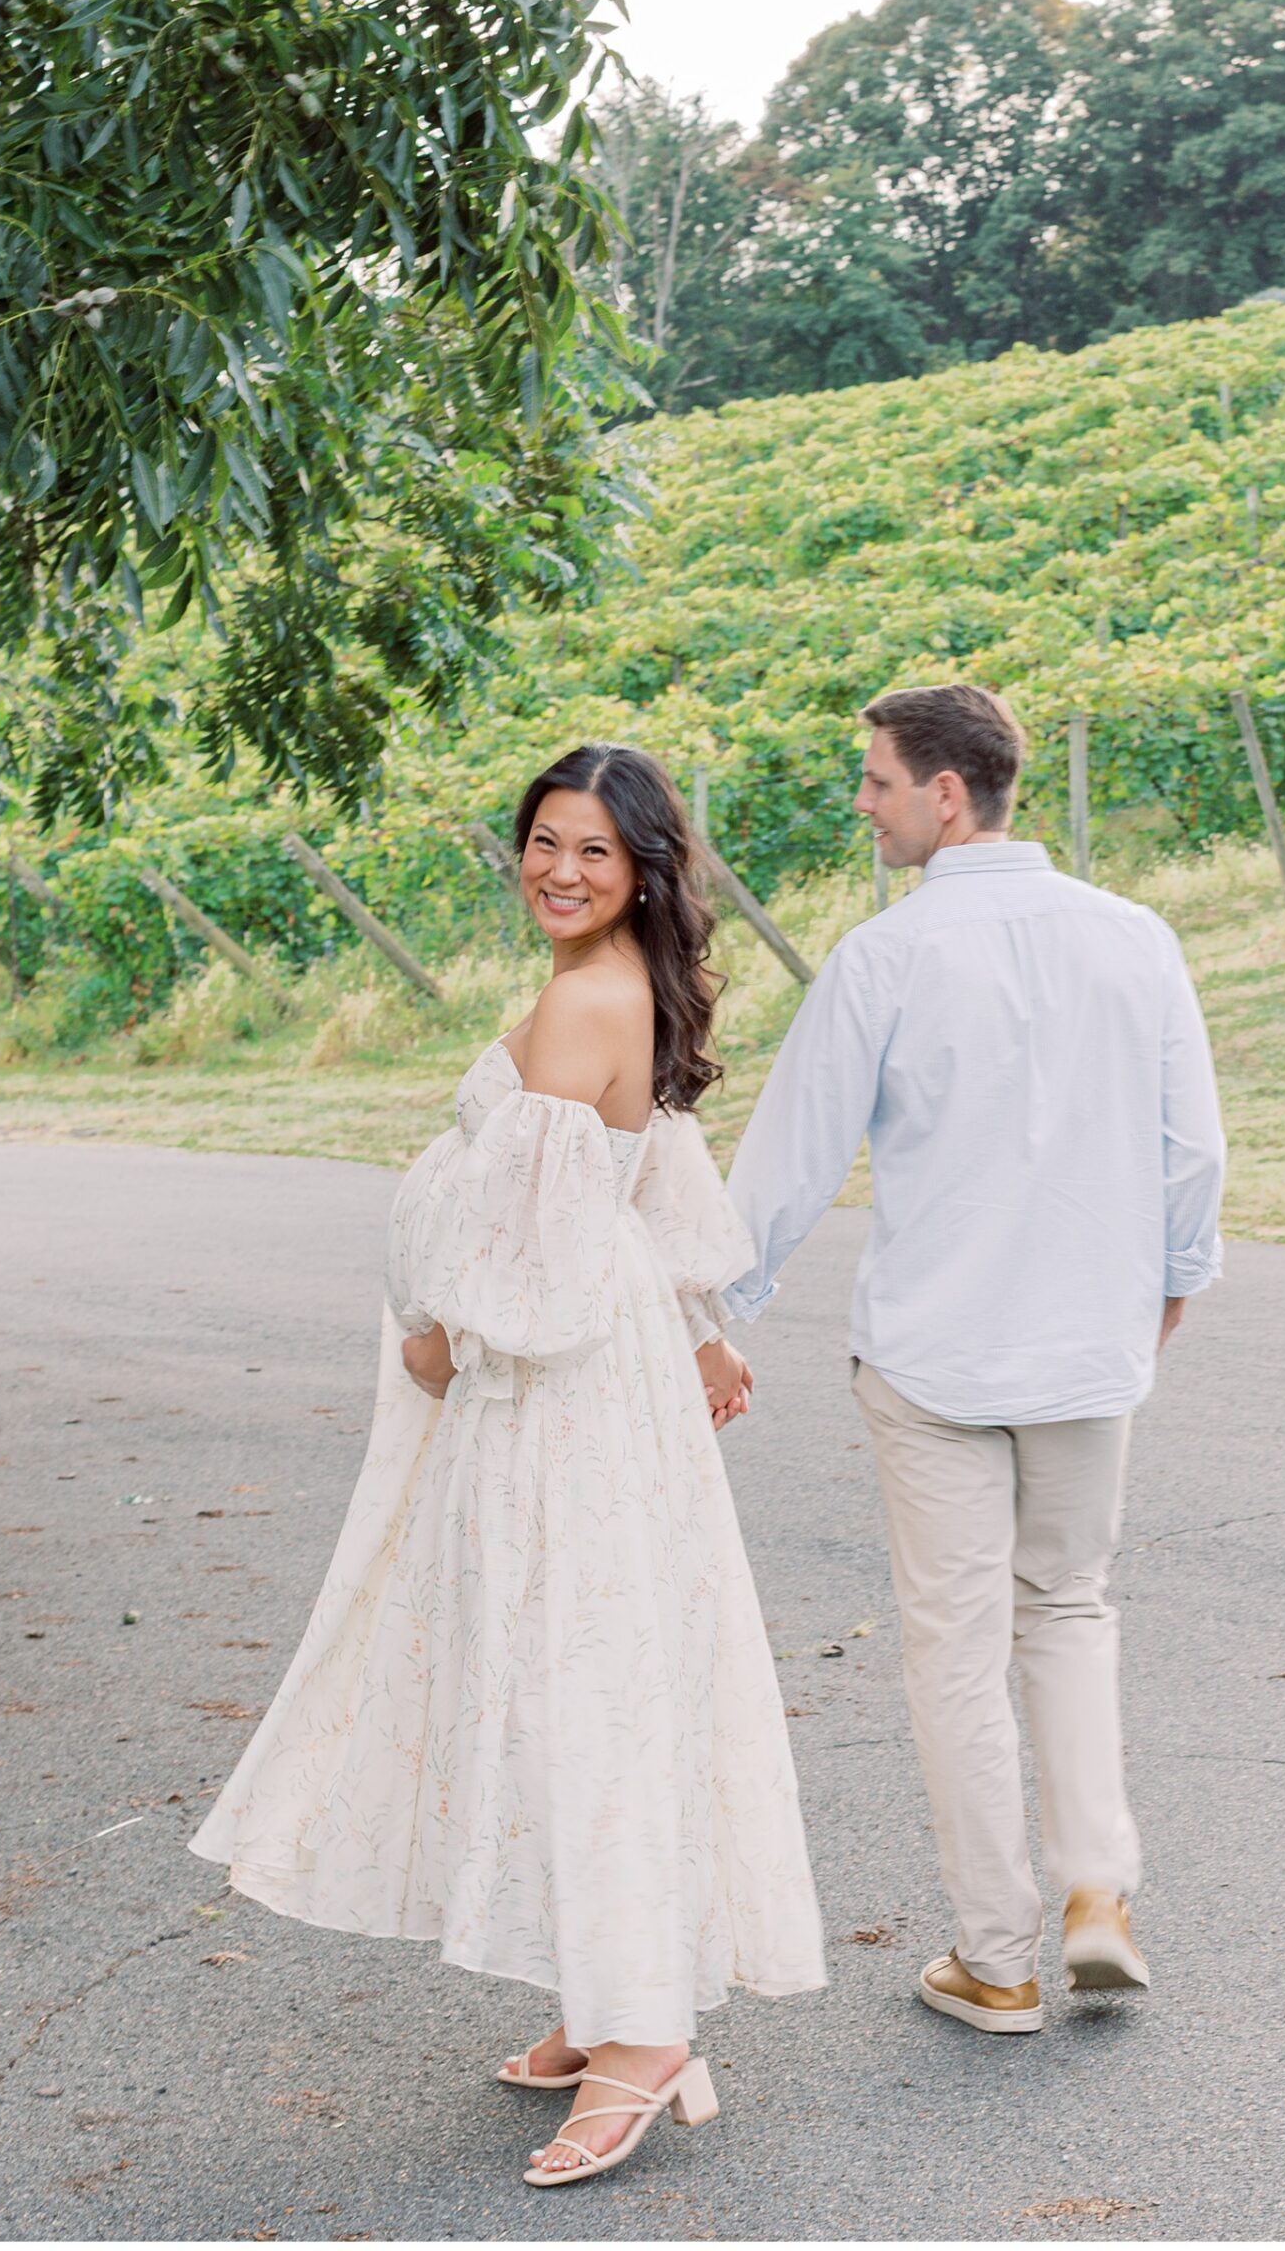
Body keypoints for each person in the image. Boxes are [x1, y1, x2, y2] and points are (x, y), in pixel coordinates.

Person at [190, 743, 824, 2186]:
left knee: (578, 1685)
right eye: (544, 841)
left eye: (594, 852)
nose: (558, 870)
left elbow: (526, 1261)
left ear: (644, 869)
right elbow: (650, 1175)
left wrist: (438, 1342)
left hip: (562, 1409)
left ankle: (647, 2036)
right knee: (602, 1680)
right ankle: (618, 1993)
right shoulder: (632, 992)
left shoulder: (576, 1006)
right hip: (617, 1392)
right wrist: (699, 1327)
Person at [722, 683, 1225, 2033]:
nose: (864, 805)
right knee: (1067, 1607)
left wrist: (718, 1310)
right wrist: (1172, 1283)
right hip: (1085, 1348)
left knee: (954, 1647)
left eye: (877, 782)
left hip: (934, 1356)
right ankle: (1097, 1893)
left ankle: (996, 1958)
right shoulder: (1136, 938)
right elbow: (1195, 1148)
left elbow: (790, 1160)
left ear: (947, 795)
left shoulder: (884, 958)